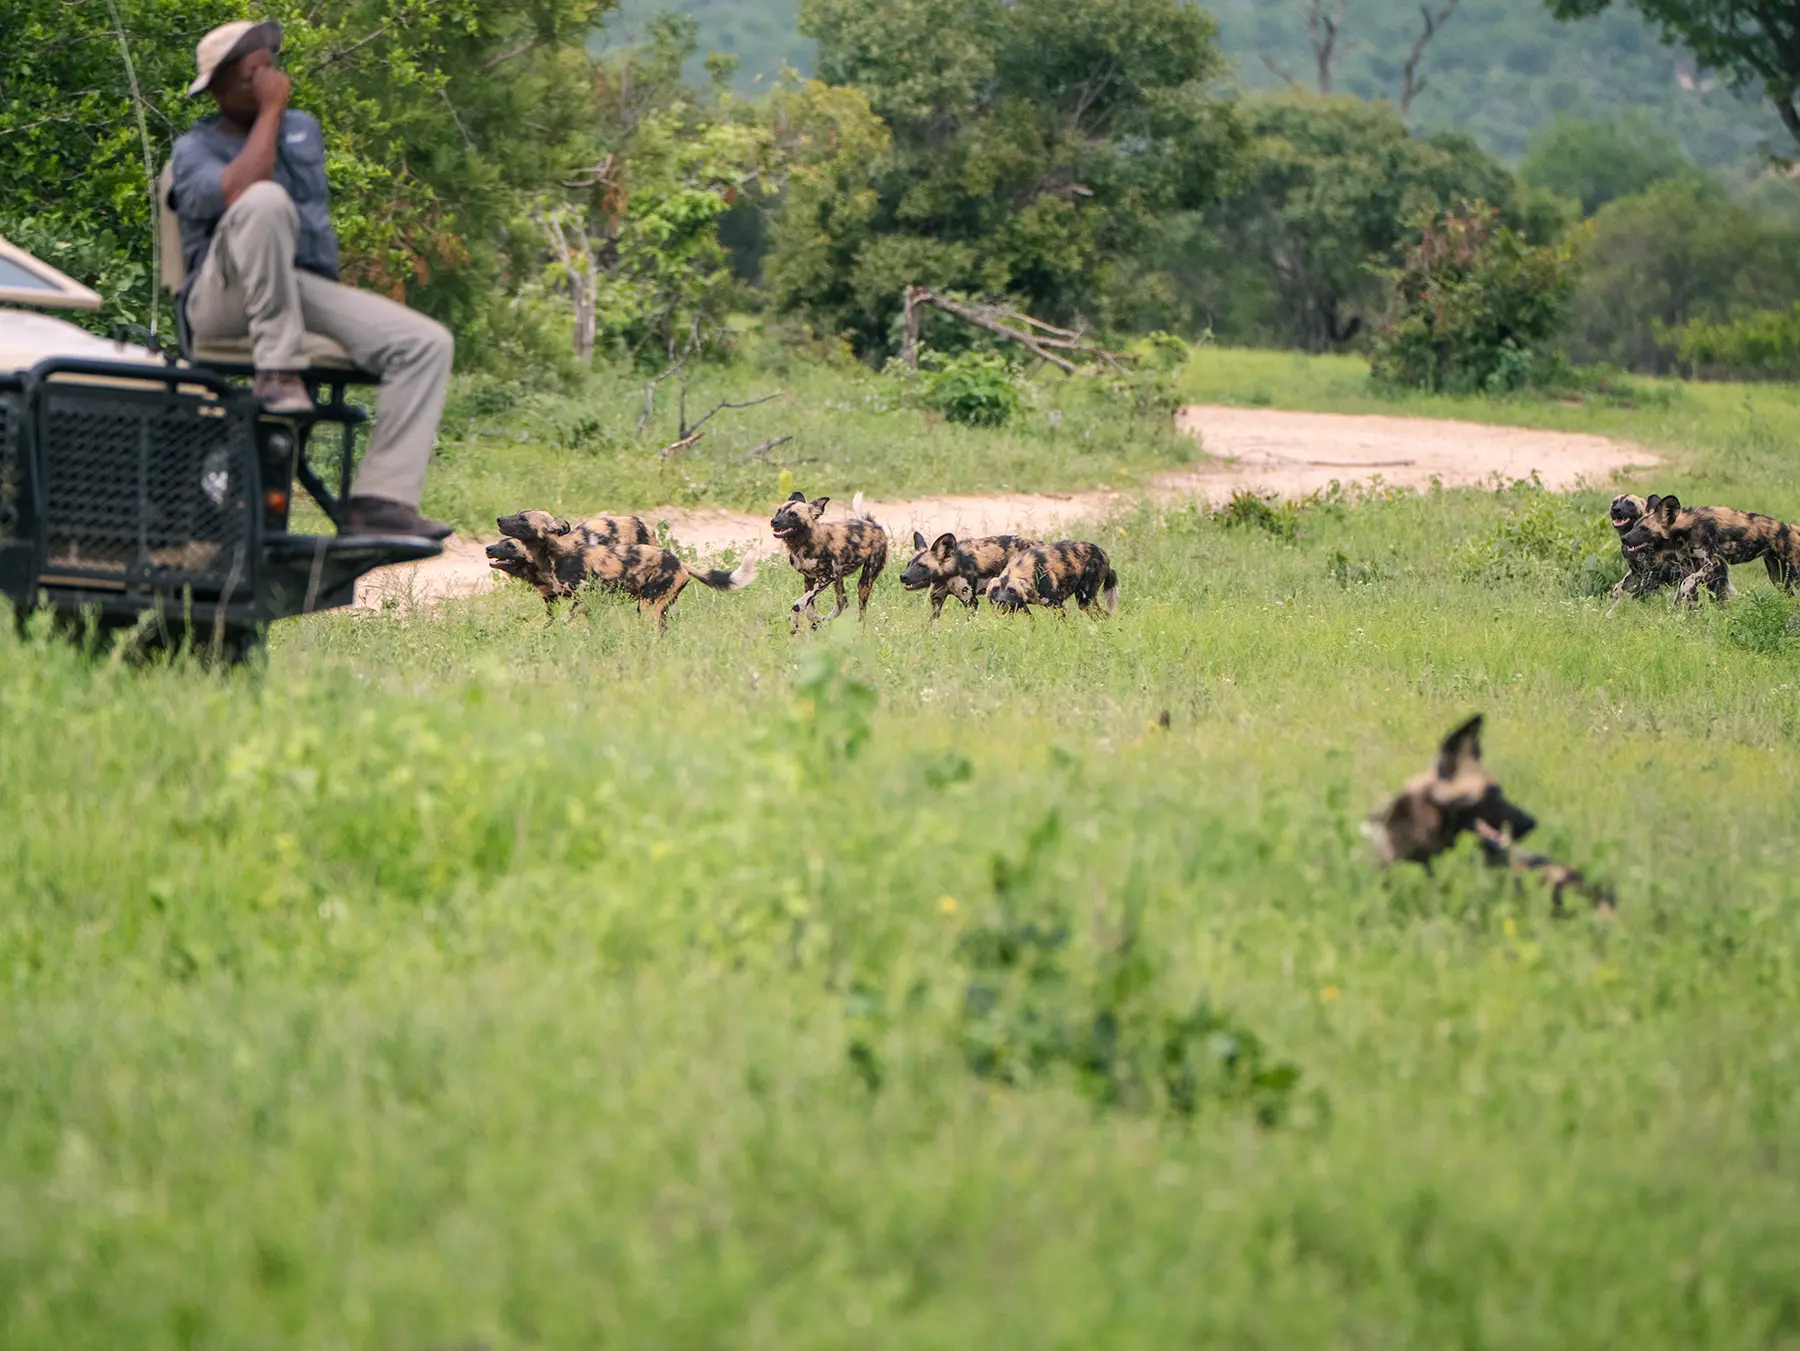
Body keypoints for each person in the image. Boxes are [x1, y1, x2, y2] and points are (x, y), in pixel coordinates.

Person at [168, 18, 452, 540]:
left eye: (272, 68)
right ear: (225, 86)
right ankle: (277, 373)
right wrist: (273, 108)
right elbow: (239, 192)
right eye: (257, 72)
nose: (271, 79)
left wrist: (275, 115)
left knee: (425, 343)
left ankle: (380, 501)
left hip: (292, 287)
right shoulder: (195, 148)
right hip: (220, 300)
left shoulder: (301, 131)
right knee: (263, 200)